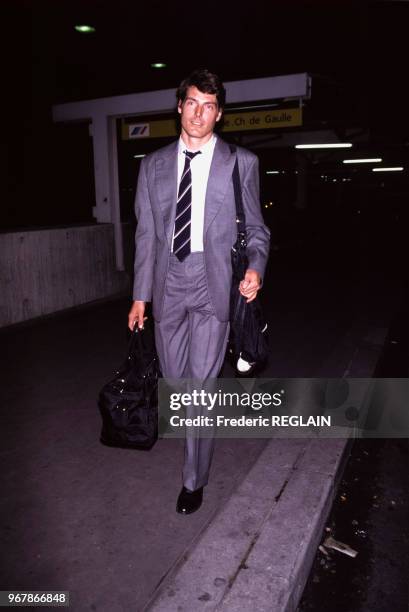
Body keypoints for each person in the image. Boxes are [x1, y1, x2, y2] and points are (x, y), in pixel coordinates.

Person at [128, 68, 270, 514]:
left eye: (208, 106)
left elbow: (257, 228)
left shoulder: (240, 163)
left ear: (219, 114)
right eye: (192, 103)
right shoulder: (152, 166)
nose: (198, 113)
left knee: (201, 389)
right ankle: (192, 444)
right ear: (179, 107)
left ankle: (194, 480)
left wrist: (256, 267)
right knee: (177, 385)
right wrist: (140, 295)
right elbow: (146, 235)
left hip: (212, 287)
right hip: (168, 282)